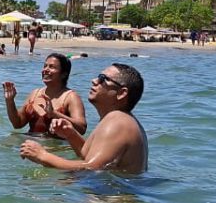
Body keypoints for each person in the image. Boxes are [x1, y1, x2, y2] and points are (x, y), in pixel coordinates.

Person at [18, 63, 147, 174]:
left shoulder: (118, 121)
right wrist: (71, 134)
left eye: (103, 79)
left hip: (113, 201)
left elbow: (92, 169)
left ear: (122, 93)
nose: (94, 80)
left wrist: (42, 155)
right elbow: (91, 157)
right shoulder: (122, 119)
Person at [3, 52, 88, 137]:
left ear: (63, 74)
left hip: (56, 148)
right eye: (45, 66)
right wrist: (10, 101)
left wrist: (54, 114)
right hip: (31, 144)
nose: (45, 70)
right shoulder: (35, 94)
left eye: (51, 67)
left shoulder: (71, 97)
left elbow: (82, 128)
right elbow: (17, 124)